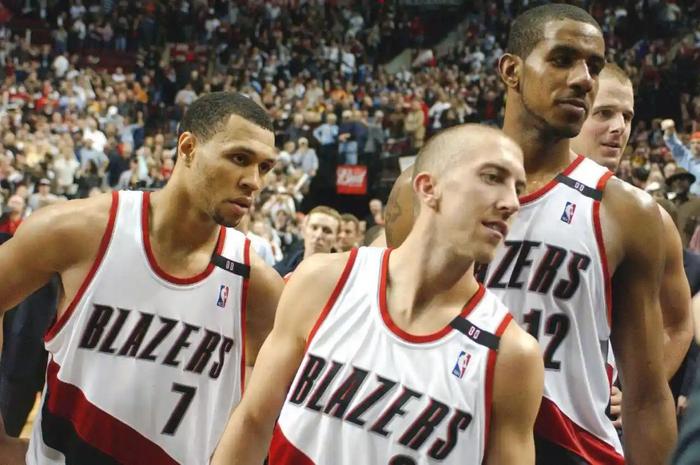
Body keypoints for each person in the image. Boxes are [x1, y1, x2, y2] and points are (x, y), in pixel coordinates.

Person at [381, 5, 675, 465]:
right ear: (511, 70)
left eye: (594, 66)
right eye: (562, 59)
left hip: (570, 446)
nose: (583, 79)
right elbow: (389, 344)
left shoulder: (626, 212)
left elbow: (646, 397)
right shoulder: (422, 189)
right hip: (442, 442)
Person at [212, 124, 543, 465]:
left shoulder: (512, 355)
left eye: (518, 189)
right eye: (492, 177)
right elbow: (253, 421)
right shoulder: (323, 280)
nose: (511, 203)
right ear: (428, 188)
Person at [0, 92, 284, 465]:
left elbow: (257, 415)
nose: (254, 181)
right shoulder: (79, 229)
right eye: (240, 159)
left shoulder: (258, 285)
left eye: (265, 167)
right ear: (188, 148)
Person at [570, 62, 693, 418]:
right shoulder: (510, 198)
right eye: (604, 113)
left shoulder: (647, 217)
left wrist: (636, 392)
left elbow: (678, 323)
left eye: (627, 116)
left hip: (589, 424)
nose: (619, 127)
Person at [273, 206, 341, 278]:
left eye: (327, 231)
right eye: (314, 228)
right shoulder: (279, 272)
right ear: (304, 230)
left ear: (336, 239)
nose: (318, 235)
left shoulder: (340, 277)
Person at [661, 120, 700, 196]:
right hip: (680, 198)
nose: (695, 145)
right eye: (693, 143)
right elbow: (672, 141)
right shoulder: (683, 155)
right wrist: (670, 128)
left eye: (699, 143)